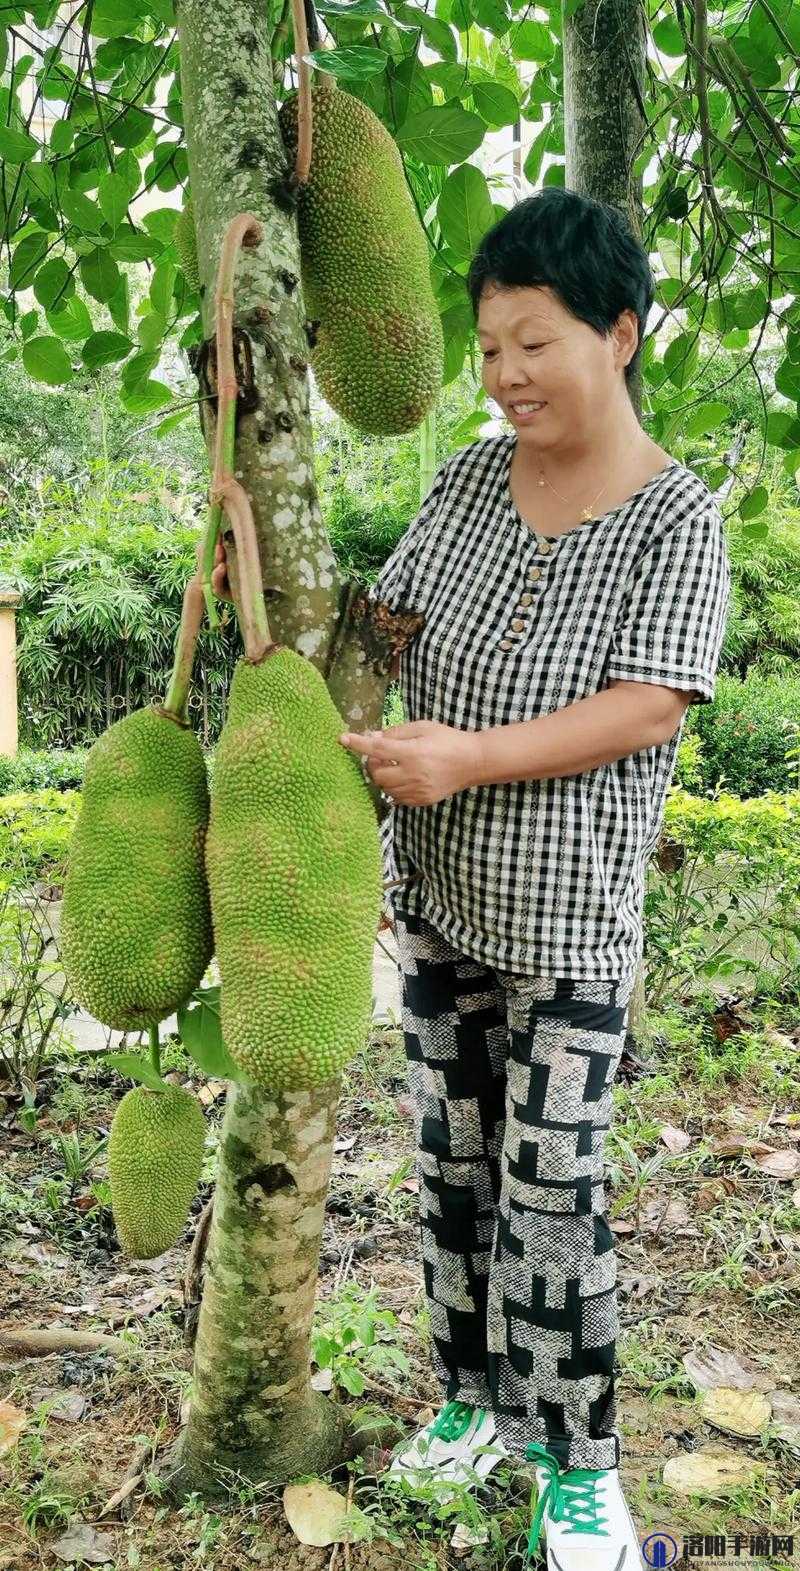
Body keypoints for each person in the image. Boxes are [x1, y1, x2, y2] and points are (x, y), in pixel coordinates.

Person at [213, 188, 731, 1569]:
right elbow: (389, 624)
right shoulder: (466, 481)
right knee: (453, 1178)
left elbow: (651, 707)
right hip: (439, 906)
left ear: (618, 337)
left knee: (555, 1199)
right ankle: (472, 1401)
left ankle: (579, 1469)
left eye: (534, 345)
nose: (503, 377)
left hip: (567, 930)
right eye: (490, 347)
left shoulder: (677, 518)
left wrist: (470, 758)